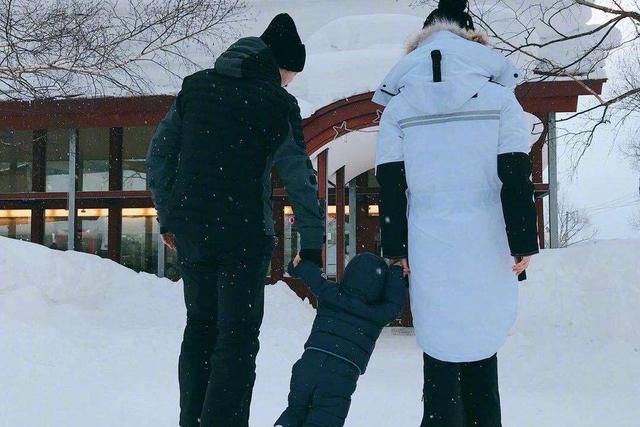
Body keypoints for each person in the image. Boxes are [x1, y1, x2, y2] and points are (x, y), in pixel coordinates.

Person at [146, 13, 325, 427]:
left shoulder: (196, 88)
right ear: (280, 65)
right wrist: (311, 243)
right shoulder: (277, 102)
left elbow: (159, 155)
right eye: (289, 76)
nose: (287, 85)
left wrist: (170, 216)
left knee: (200, 330)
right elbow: (299, 176)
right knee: (237, 339)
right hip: (244, 236)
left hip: (192, 233)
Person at [373, 1, 540, 426]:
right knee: (482, 351)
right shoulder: (501, 101)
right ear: (473, 41)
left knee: (441, 352)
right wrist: (522, 241)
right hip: (487, 240)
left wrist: (396, 248)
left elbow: (391, 183)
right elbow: (515, 176)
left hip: (430, 240)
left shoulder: (398, 109)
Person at [275, 253, 406, 427]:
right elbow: (393, 304)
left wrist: (296, 266)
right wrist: (397, 270)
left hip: (309, 364)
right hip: (340, 376)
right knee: (323, 420)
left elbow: (312, 276)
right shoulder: (376, 314)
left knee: (295, 410)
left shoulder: (331, 293)